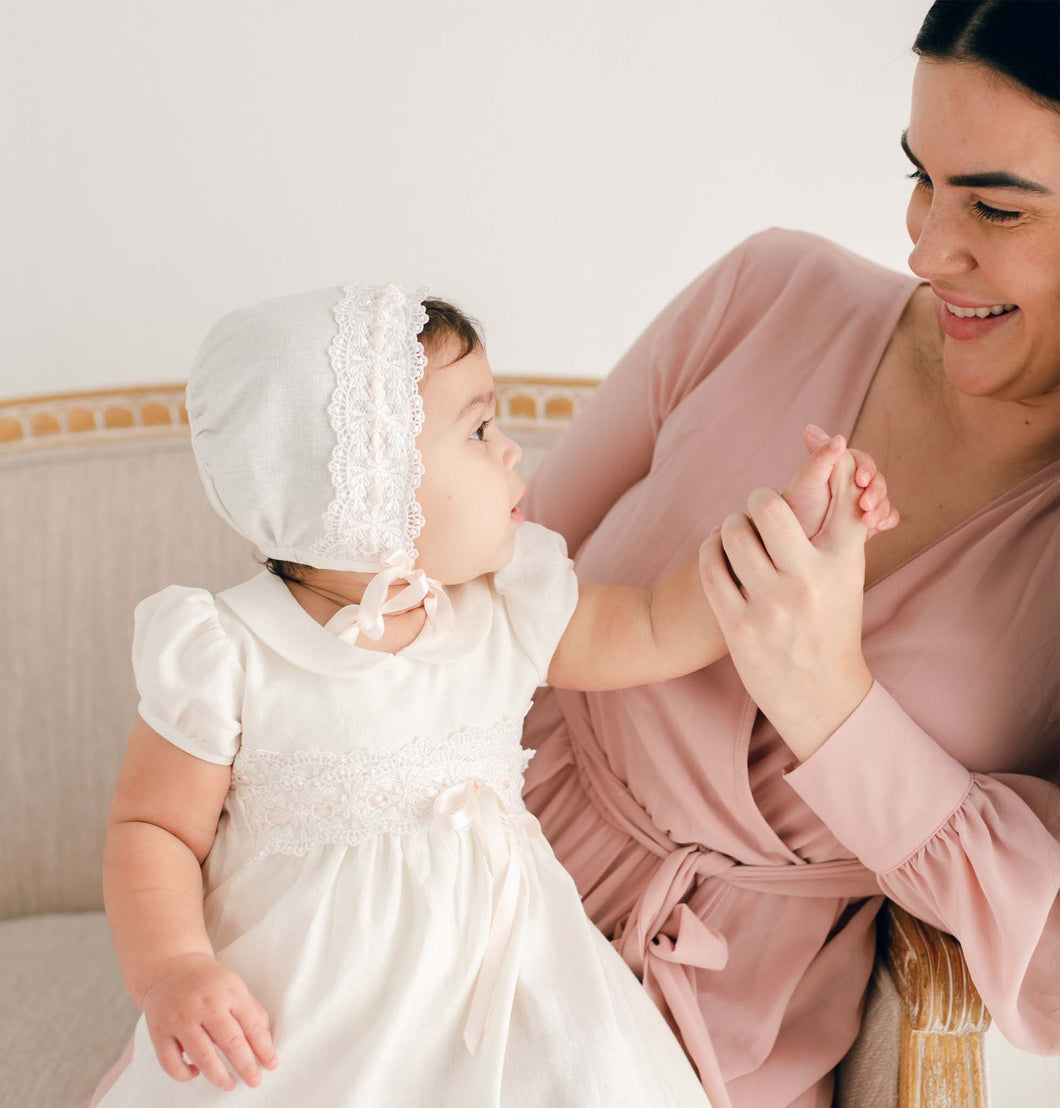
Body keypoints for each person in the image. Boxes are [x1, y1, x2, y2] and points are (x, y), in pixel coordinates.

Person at [83, 285, 892, 1106]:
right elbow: (153, 828)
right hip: (316, 998)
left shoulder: (503, 605)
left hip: (508, 983)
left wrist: (788, 527)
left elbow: (653, 625)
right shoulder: (230, 651)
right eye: (476, 430)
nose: (511, 452)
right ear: (366, 487)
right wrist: (174, 968)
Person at [517, 2, 1060, 1106]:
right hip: (472, 863)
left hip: (721, 1031)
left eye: (995, 208)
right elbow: (493, 583)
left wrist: (832, 705)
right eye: (918, 176)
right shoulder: (768, 291)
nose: (923, 245)